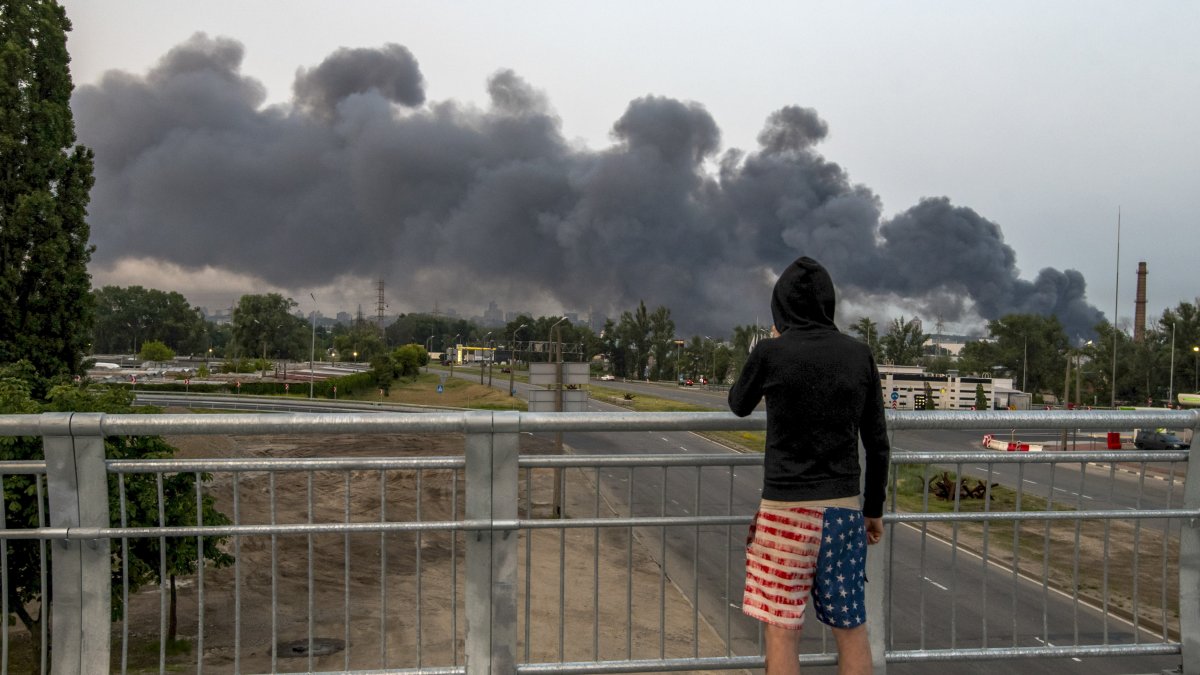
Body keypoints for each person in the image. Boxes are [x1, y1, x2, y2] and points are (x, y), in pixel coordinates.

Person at [728, 256, 890, 675]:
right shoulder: (859, 355)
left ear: (780, 305)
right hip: (843, 512)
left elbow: (738, 404)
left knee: (782, 631)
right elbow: (877, 444)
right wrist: (873, 510)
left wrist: (769, 343)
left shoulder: (771, 352)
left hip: (785, 514)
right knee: (851, 629)